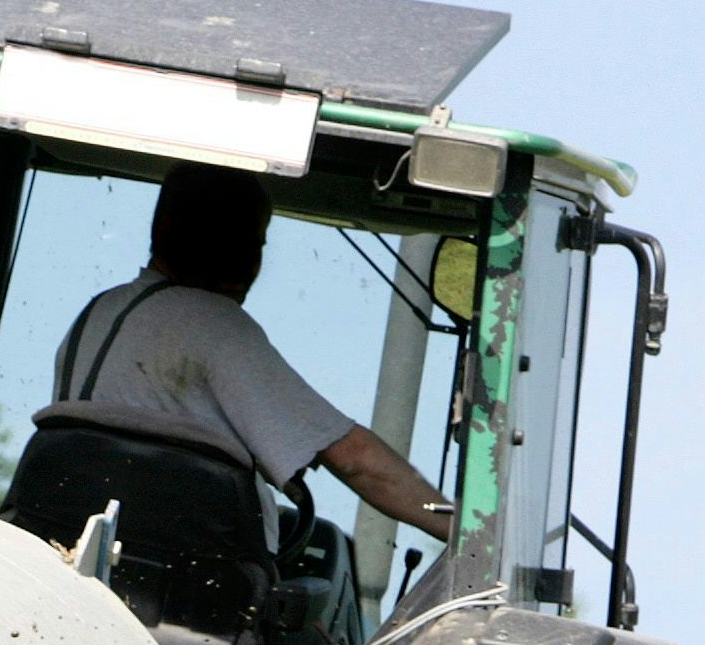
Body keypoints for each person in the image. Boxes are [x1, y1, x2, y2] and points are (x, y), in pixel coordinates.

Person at [51, 165, 455, 546]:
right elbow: (355, 460)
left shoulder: (97, 311)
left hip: (72, 537)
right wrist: (467, 536)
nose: (251, 264)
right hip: (187, 568)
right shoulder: (213, 322)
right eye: (247, 243)